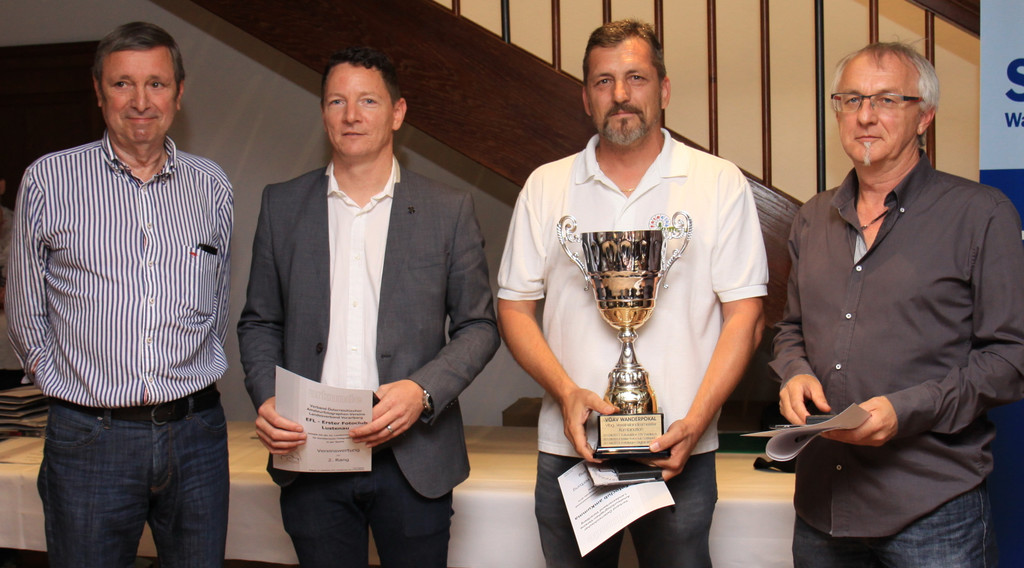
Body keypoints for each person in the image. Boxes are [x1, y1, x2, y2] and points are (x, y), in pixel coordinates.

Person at [496, 19, 768, 567]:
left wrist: (696, 421)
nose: (620, 94)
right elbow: (514, 308)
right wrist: (566, 392)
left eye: (636, 78)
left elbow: (746, 317)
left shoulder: (718, 182)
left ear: (663, 90)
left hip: (681, 449)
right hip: (573, 450)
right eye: (604, 81)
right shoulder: (546, 185)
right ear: (586, 98)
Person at [237, 46, 499, 568]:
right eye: (337, 101)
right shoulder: (281, 204)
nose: (351, 115)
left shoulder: (449, 210)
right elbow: (260, 322)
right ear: (323, 113)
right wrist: (268, 398)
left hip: (414, 459)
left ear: (398, 113)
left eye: (368, 101)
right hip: (310, 452)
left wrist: (423, 391)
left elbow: (478, 325)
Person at [770, 42, 1024, 567]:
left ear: (924, 116)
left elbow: (1010, 358)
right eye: (851, 99)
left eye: (887, 100)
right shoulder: (812, 218)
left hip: (933, 511)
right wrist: (794, 372)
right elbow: (791, 328)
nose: (865, 116)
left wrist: (906, 410)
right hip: (821, 507)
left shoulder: (981, 214)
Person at [6, 22, 233, 567]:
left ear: (179, 92)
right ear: (98, 90)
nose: (140, 101)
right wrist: (63, 384)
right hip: (91, 437)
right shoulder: (49, 180)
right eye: (122, 84)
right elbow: (24, 306)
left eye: (156, 83)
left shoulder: (212, 186)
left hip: (196, 434)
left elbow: (218, 301)